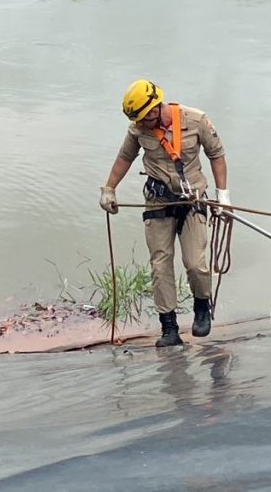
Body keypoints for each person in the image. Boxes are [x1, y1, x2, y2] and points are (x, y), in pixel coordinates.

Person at [99, 79, 230, 347]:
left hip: (192, 201)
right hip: (158, 202)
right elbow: (125, 157)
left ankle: (202, 307)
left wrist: (223, 195)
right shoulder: (137, 129)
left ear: (157, 107)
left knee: (196, 263)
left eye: (145, 118)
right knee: (161, 265)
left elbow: (216, 154)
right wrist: (109, 188)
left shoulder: (197, 120)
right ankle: (168, 327)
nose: (142, 124)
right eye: (138, 120)